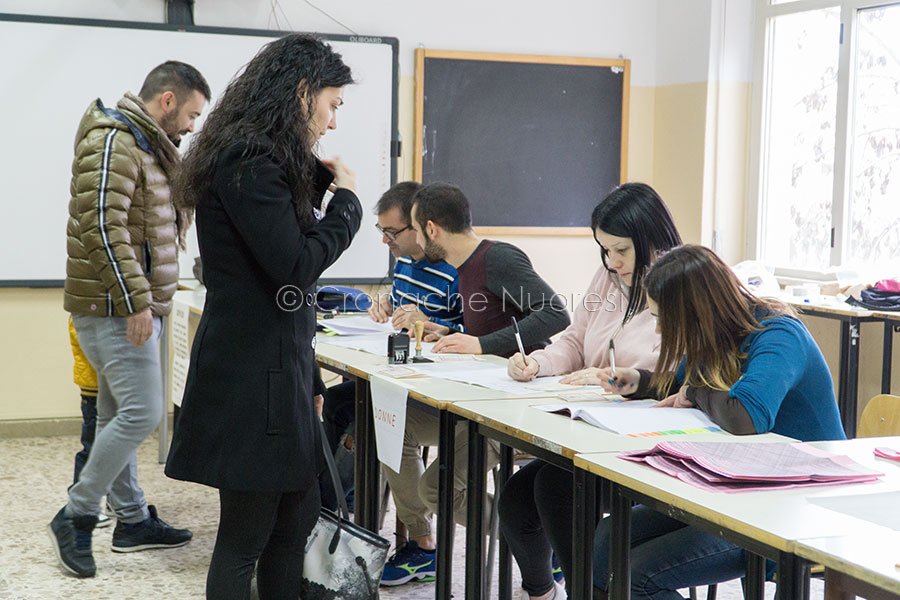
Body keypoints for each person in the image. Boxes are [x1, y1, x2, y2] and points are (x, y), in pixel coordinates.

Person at [163, 35, 360, 600]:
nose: (333, 121)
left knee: (291, 526)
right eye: (333, 104)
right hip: (253, 378)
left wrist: (311, 380)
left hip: (279, 372)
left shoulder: (260, 158)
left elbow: (282, 279)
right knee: (248, 535)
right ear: (302, 94)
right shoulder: (248, 158)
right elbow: (295, 265)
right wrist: (345, 201)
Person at [590, 244, 846, 599]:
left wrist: (695, 393)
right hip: (734, 486)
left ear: (696, 313)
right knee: (607, 539)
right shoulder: (713, 334)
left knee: (639, 576)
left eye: (665, 319)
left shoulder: (778, 334)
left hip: (794, 504)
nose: (662, 330)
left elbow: (745, 416)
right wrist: (638, 381)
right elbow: (681, 383)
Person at [50, 61, 209, 578]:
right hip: (116, 308)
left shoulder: (144, 144)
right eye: (190, 114)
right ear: (166, 100)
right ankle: (77, 513)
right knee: (141, 414)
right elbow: (100, 223)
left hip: (125, 304)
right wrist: (137, 300)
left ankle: (133, 520)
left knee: (120, 412)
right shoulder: (116, 141)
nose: (190, 126)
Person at [379, 182, 571, 587]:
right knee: (394, 425)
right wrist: (440, 330)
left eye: (413, 227)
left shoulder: (496, 258)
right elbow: (488, 326)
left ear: (430, 229)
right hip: (483, 399)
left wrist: (481, 343)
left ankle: (539, 544)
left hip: (520, 406)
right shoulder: (464, 268)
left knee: (439, 490)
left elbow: (555, 314)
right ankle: (532, 541)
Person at [497, 182, 682, 600]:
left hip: (643, 439)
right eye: (604, 250)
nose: (612, 262)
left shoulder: (679, 282)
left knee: (556, 489)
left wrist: (615, 377)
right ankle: (545, 593)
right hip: (589, 426)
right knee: (515, 501)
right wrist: (538, 362)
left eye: (622, 250)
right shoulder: (607, 277)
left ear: (651, 238)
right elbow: (575, 339)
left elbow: (673, 369)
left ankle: (587, 591)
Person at [319, 180, 465, 512]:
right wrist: (385, 305)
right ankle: (329, 501)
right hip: (400, 377)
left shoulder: (455, 270)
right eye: (381, 231)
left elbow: (471, 332)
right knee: (337, 401)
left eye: (392, 232)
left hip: (432, 390)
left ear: (420, 226)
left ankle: (336, 507)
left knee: (368, 419)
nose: (385, 240)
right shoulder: (404, 263)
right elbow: (401, 304)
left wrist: (433, 326)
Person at [66, 318, 110, 528]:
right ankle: (80, 503)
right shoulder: (83, 315)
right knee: (92, 448)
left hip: (107, 387)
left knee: (115, 447)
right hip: (94, 390)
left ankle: (116, 500)